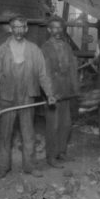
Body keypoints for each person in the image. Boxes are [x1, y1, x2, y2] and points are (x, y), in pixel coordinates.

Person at [0, 15, 57, 179]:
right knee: (5, 134)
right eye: (15, 27)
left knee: (28, 133)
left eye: (22, 27)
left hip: (27, 97)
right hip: (7, 97)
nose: (18, 30)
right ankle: (2, 166)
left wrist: (49, 94)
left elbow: (43, 74)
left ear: (26, 29)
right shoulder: (2, 49)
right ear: (10, 29)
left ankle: (29, 166)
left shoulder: (34, 50)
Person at [41, 16, 79, 166]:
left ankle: (61, 152)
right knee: (53, 125)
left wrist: (75, 89)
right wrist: (50, 93)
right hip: (53, 93)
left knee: (66, 124)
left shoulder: (66, 46)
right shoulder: (45, 48)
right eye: (54, 28)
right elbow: (45, 73)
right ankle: (51, 157)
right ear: (49, 30)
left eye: (60, 28)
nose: (58, 31)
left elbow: (72, 69)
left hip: (66, 91)